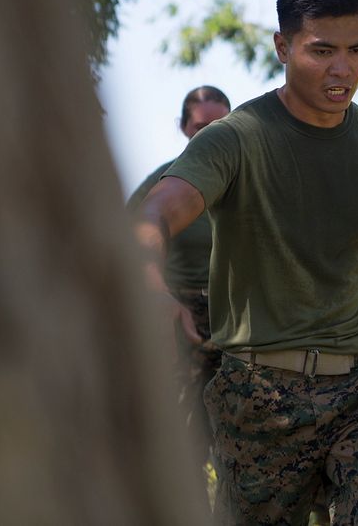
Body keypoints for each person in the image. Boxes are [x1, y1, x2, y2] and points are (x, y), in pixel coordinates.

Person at [133, 0, 358, 525]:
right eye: (322, 50)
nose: (343, 68)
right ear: (282, 46)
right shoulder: (235, 138)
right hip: (262, 398)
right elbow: (156, 213)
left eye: (357, 49)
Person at [126, 85, 231, 497]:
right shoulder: (164, 183)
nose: (210, 134)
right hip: (180, 318)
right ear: (183, 128)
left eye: (220, 125)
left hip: (239, 319)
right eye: (201, 126)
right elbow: (131, 240)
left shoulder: (248, 176)